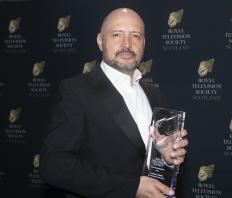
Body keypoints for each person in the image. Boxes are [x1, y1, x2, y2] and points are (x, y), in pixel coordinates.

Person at [40, 8, 188, 198]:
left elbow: (148, 164)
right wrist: (131, 187)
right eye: (117, 34)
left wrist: (167, 159)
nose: (127, 44)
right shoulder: (76, 90)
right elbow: (54, 166)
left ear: (144, 43)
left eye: (136, 36)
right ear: (101, 41)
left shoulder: (155, 95)